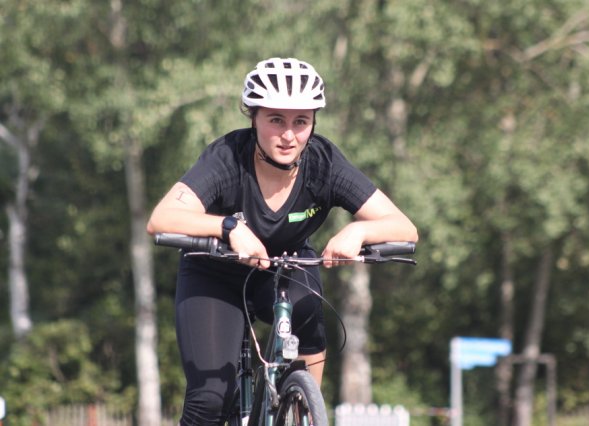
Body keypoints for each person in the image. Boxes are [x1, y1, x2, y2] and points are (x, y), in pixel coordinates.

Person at [146, 57, 418, 426]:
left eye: (300, 122)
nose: (289, 135)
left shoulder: (324, 164)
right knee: (210, 401)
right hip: (215, 270)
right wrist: (228, 226)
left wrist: (359, 231)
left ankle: (303, 411)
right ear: (253, 117)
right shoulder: (226, 158)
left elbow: (403, 227)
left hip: (285, 265)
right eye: (276, 120)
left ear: (313, 123)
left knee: (308, 309)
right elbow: (161, 218)